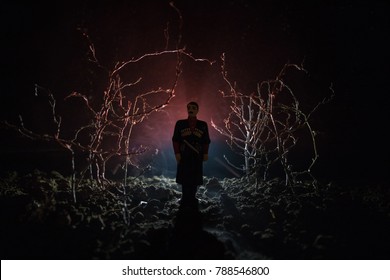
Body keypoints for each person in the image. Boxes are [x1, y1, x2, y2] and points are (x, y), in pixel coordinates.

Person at [172, 101, 210, 209]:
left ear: (197, 110)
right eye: (189, 107)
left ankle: (193, 197)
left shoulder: (203, 125)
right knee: (185, 176)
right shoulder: (180, 124)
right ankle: (185, 197)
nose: (191, 109)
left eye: (193, 107)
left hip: (197, 155)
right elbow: (175, 140)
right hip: (184, 154)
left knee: (195, 175)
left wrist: (206, 153)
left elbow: (206, 140)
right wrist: (177, 153)